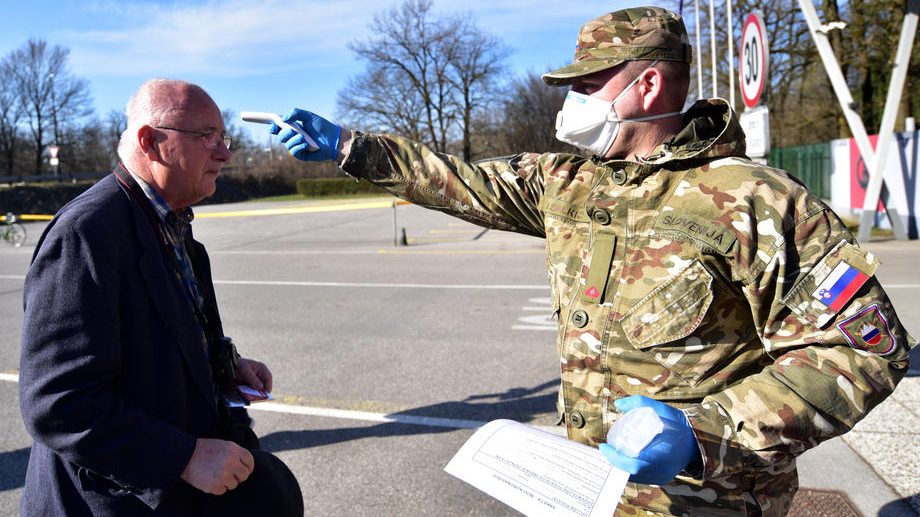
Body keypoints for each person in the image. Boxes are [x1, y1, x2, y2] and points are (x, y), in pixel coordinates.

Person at [270, 6, 915, 516]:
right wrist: (352, 148)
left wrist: (703, 429)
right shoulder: (571, 182)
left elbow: (862, 349)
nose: (571, 96)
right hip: (589, 492)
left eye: (587, 81)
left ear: (648, 83)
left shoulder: (756, 200)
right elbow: (460, 180)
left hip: (706, 502)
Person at [20, 79, 303, 517]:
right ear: (151, 142)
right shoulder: (87, 234)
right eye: (206, 136)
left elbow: (161, 340)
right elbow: (57, 403)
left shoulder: (171, 223)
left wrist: (223, 366)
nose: (224, 152)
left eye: (222, 137)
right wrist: (183, 457)